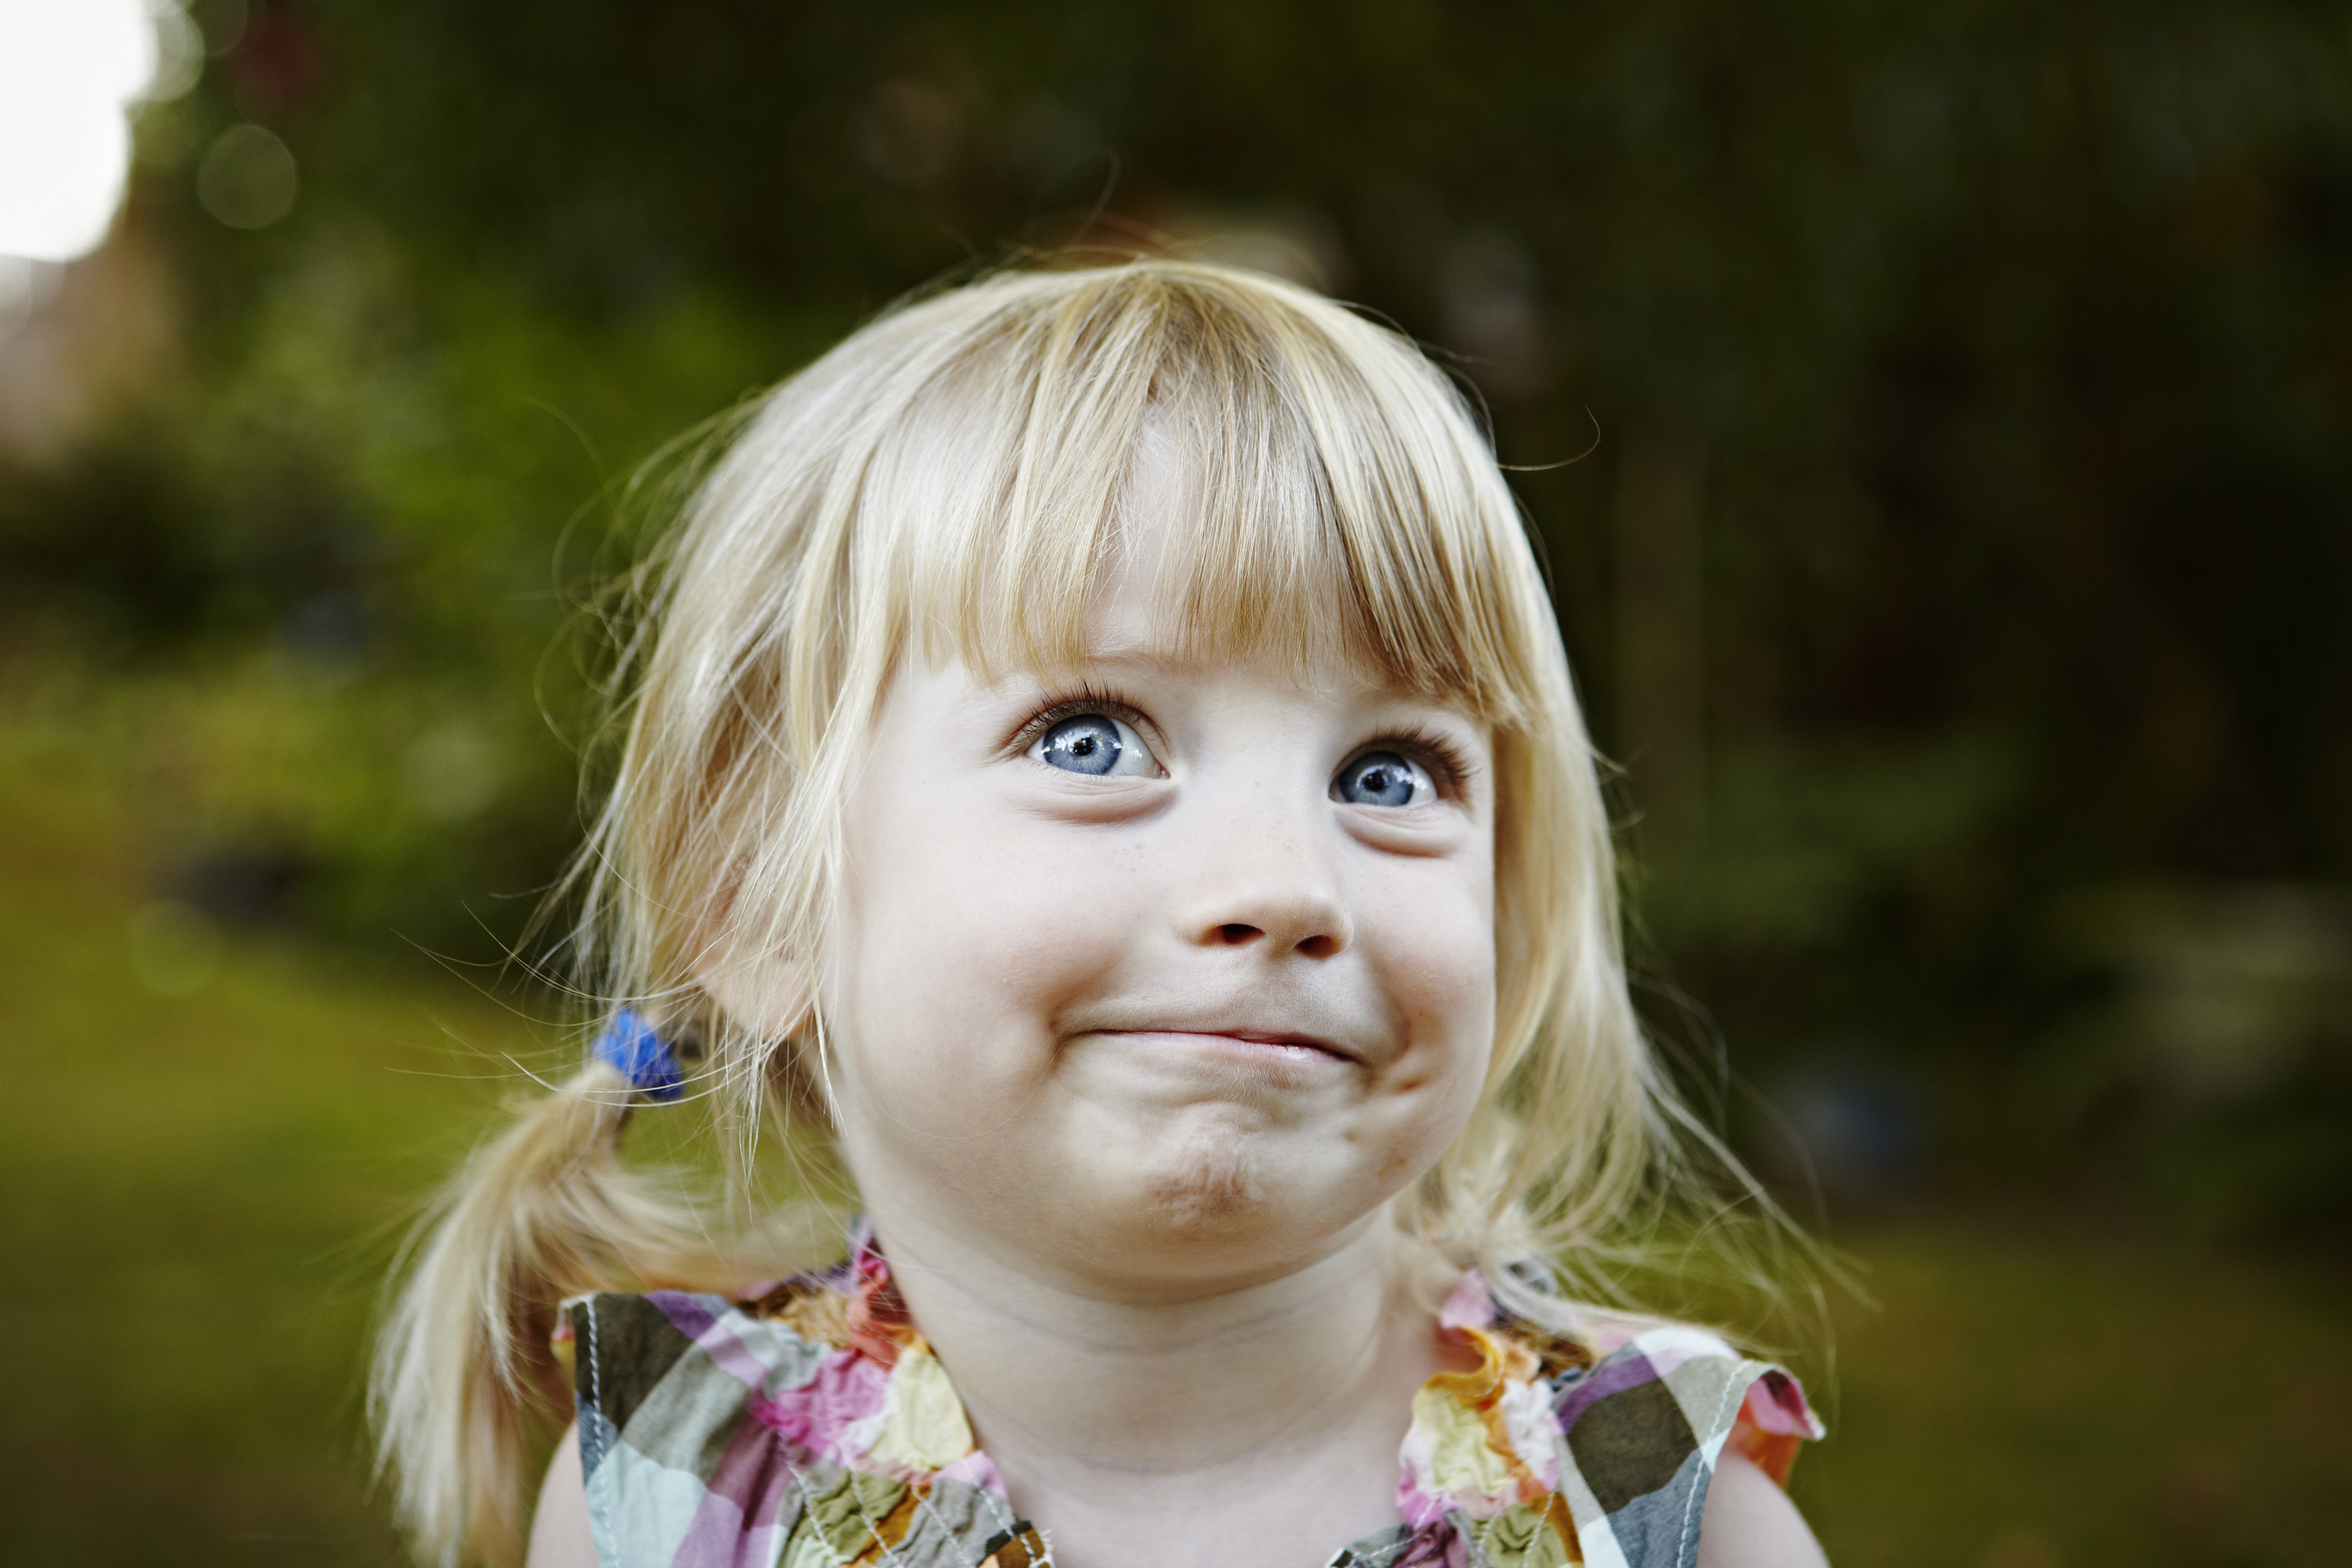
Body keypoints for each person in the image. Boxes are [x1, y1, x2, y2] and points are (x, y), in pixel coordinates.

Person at [372, 259, 1829, 1568]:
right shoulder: (685, 1500)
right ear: (759, 900)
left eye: (1390, 772)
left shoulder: (1655, 1505)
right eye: (1092, 741)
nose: (1282, 884)